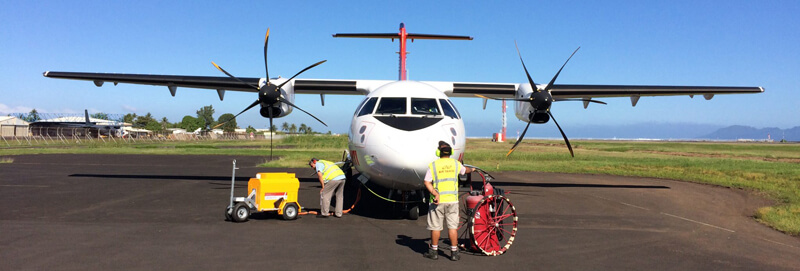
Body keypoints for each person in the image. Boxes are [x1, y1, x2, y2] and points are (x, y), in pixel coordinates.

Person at [422, 141, 473, 261]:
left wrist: (435, 193)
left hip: (437, 202)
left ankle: (434, 251)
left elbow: (426, 182)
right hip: (452, 201)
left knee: (436, 227)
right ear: (450, 152)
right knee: (452, 228)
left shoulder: (433, 165)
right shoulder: (456, 164)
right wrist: (472, 170)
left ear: (438, 152)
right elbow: (465, 170)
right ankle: (454, 253)